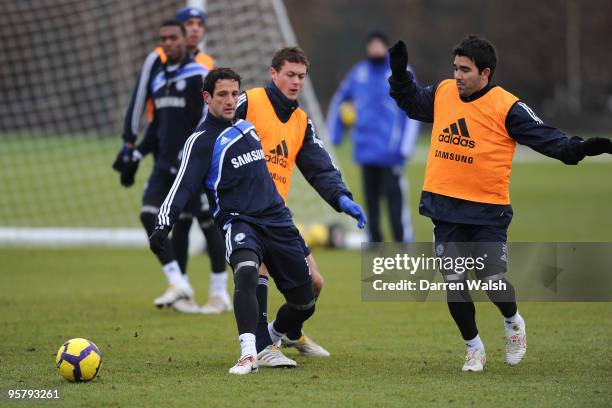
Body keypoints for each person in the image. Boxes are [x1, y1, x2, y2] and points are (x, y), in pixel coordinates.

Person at [388, 35, 612, 371]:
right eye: (455, 68)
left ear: (485, 73)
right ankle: (474, 348)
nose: (458, 75)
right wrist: (399, 72)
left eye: (465, 69)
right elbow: (409, 102)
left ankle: (512, 322)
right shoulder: (443, 93)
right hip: (445, 208)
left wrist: (579, 148)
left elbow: (547, 137)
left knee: (490, 279)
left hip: (487, 211)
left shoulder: (506, 106)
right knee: (454, 282)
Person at [149, 67, 366, 375]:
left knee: (306, 298)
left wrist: (341, 198)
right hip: (240, 222)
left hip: (278, 220)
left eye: (234, 93)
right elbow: (183, 185)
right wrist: (163, 223)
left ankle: (276, 336)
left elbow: (311, 164)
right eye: (222, 94)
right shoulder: (201, 141)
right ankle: (251, 352)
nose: (229, 100)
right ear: (207, 97)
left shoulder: (248, 129)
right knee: (247, 272)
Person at [235, 46, 366, 367]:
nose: (295, 82)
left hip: (277, 215)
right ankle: (263, 347)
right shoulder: (249, 102)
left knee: (314, 285)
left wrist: (341, 197)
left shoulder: (300, 121)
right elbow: (212, 135)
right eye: (290, 75)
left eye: (301, 76)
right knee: (258, 269)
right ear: (273, 73)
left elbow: (319, 167)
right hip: (244, 212)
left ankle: (286, 331)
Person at [114, 8, 230, 314]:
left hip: (192, 166)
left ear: (185, 41)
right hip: (164, 166)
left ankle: (219, 293)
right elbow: (158, 126)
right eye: (163, 38)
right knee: (148, 215)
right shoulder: (160, 78)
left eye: (173, 38)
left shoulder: (197, 77)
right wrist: (136, 152)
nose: (168, 43)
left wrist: (197, 156)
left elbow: (205, 121)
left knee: (207, 223)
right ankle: (179, 283)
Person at [327, 31, 420, 243]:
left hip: (391, 152)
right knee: (370, 202)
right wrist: (335, 134)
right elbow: (339, 100)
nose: (375, 49)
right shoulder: (359, 72)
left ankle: (402, 239)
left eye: (379, 45)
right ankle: (374, 238)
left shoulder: (401, 71)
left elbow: (414, 109)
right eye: (372, 45)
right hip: (365, 151)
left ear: (386, 48)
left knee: (395, 201)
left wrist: (405, 147)